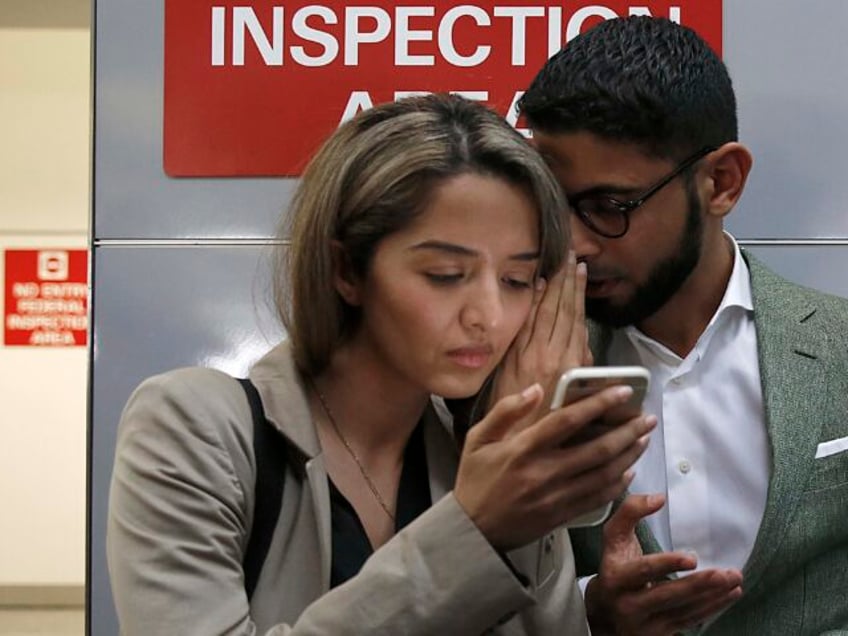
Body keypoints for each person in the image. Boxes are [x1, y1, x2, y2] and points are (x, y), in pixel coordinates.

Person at [106, 93, 654, 635]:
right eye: (444, 274)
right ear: (347, 269)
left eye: (515, 280)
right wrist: (474, 529)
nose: (488, 314)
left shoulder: (473, 448)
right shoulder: (192, 425)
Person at [519, 15, 848, 635]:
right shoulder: (510, 366)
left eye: (609, 207)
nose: (574, 242)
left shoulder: (840, 348)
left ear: (721, 182)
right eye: (552, 205)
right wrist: (588, 613)